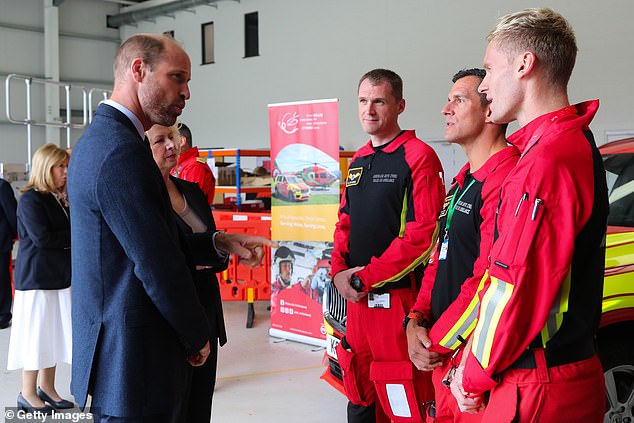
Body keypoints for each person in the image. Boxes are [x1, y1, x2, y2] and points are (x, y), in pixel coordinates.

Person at [68, 34, 272, 423]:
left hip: (128, 362)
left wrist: (218, 241)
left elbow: (150, 238)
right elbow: (155, 262)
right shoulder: (121, 151)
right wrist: (195, 334)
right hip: (136, 364)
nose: (186, 92)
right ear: (138, 70)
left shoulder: (103, 141)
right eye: (177, 78)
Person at [455, 8, 608, 422]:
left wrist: (470, 374)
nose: (484, 86)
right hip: (552, 375)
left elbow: (513, 285)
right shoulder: (566, 145)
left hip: (537, 386)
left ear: (525, 64)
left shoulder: (548, 159)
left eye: (489, 69)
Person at [331, 68, 445, 423]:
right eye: (363, 101)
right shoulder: (359, 160)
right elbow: (344, 222)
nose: (369, 110)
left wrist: (365, 277)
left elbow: (422, 236)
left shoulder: (418, 156)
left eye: (379, 101)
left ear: (399, 105)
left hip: (396, 304)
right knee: (360, 396)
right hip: (357, 306)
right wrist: (337, 273)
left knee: (403, 403)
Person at [405, 69, 519, 422]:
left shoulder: (507, 179)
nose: (445, 109)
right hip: (445, 352)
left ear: (489, 112)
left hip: (473, 361)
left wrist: (434, 342)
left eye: (459, 99)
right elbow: (439, 261)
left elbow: (488, 280)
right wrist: (415, 320)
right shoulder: (462, 183)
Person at [7, 143, 73, 413]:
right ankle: (27, 392)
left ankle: (47, 387)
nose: (66, 172)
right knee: (35, 337)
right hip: (37, 282)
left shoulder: (56, 198)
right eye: (61, 167)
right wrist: (77, 238)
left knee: (53, 336)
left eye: (66, 166)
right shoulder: (31, 199)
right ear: (46, 168)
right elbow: (43, 239)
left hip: (56, 279)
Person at [171, 122, 216, 206]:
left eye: (171, 138)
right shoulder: (177, 165)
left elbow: (190, 203)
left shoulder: (194, 167)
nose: (168, 144)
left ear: (182, 141)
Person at [0, 177, 17, 329]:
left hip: (2, 242)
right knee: (2, 279)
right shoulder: (2, 186)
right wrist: (15, 234)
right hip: (2, 241)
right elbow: (12, 213)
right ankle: (2, 316)